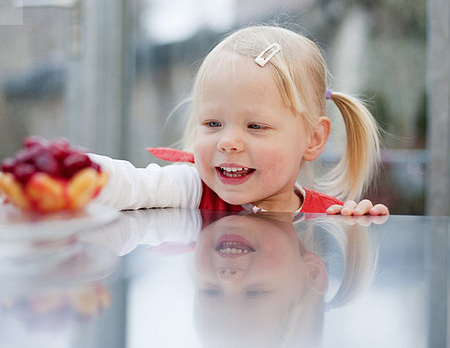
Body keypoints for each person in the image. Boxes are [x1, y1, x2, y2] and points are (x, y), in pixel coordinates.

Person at [90, 25, 388, 216]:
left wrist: (356, 228)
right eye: (212, 124)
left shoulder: (327, 218)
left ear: (313, 139)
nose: (228, 142)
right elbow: (130, 185)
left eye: (255, 126)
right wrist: (65, 169)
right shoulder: (192, 189)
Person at [193, 211, 384, 348]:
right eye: (254, 293)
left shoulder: (192, 192)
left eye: (211, 291)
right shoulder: (329, 209)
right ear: (313, 274)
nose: (228, 279)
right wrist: (355, 217)